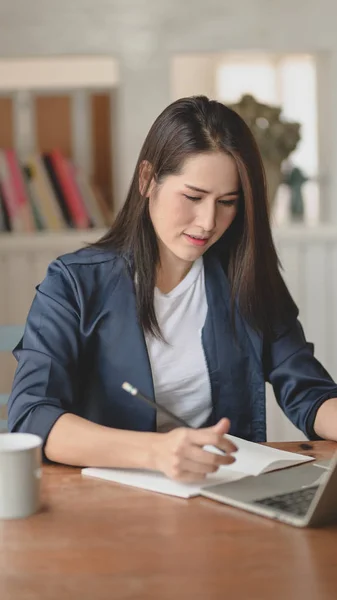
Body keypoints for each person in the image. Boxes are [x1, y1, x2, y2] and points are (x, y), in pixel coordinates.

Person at [7, 96, 337, 483]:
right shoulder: (73, 284)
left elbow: (309, 394)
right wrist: (155, 452)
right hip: (105, 506)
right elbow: (32, 416)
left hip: (221, 498)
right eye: (193, 197)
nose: (208, 221)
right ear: (148, 180)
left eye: (227, 202)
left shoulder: (246, 279)